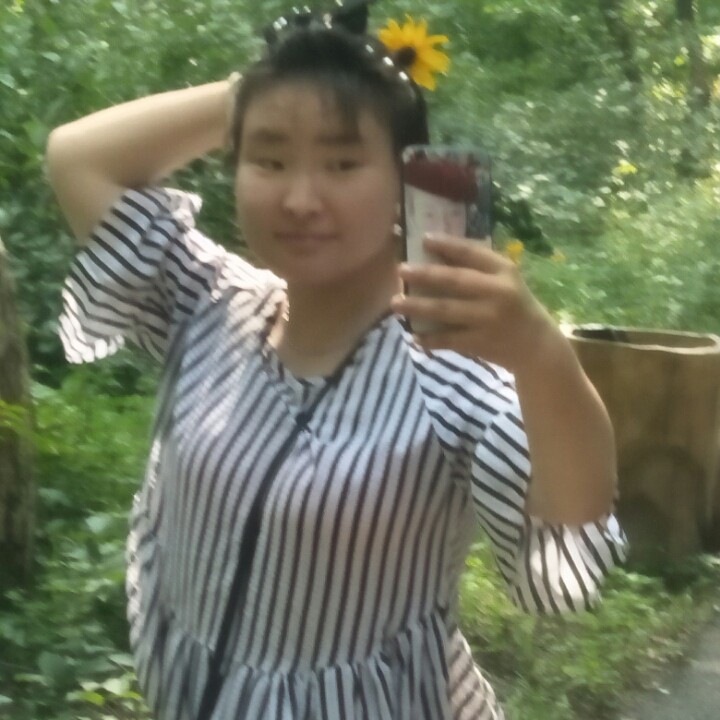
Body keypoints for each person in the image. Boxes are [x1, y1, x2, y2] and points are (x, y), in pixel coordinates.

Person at [46, 2, 626, 718]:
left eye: (343, 162)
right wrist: (282, 78)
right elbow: (77, 157)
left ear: (405, 185)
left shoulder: (449, 372)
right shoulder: (209, 304)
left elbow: (567, 547)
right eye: (269, 158)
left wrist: (540, 352)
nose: (299, 198)